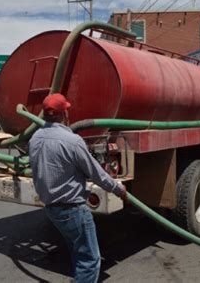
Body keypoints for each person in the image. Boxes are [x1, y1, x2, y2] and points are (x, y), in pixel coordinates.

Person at [28, 93, 127, 283]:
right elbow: (96, 173)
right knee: (90, 260)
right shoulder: (72, 141)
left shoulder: (35, 139)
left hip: (51, 209)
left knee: (77, 249)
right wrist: (118, 190)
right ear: (64, 113)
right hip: (72, 210)